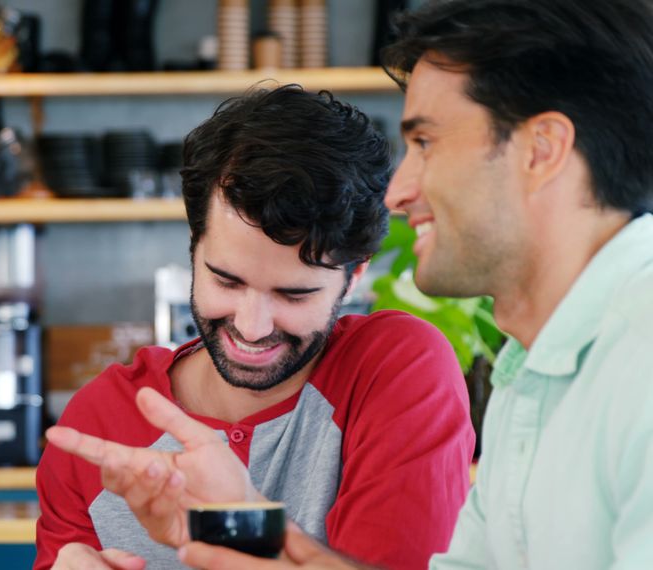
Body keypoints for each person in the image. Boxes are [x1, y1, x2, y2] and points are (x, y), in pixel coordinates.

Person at [56, 0, 653, 568]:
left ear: (541, 151)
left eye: (424, 143)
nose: (399, 191)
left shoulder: (637, 359)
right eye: (227, 279)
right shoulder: (538, 369)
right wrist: (241, 524)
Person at [35, 85, 475, 570]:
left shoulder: (394, 372)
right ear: (194, 244)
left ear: (354, 275)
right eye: (226, 280)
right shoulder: (98, 425)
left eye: (293, 294)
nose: (252, 325)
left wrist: (246, 525)